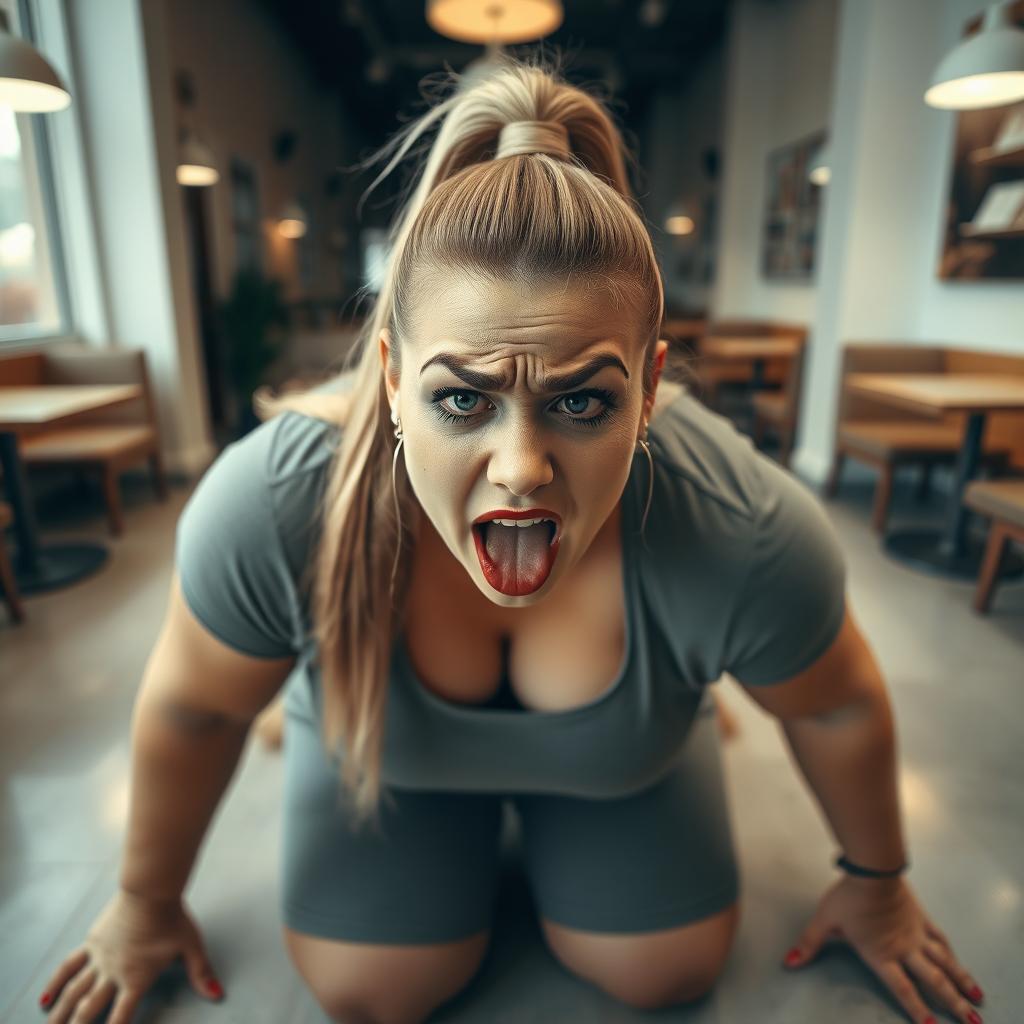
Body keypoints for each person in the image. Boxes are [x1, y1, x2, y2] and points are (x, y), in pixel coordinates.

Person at [38, 58, 984, 1024]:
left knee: (665, 970)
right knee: (373, 993)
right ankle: (317, 704)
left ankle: (679, 709)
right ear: (393, 377)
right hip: (384, 764)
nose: (522, 465)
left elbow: (836, 707)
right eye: (462, 398)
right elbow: (196, 709)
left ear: (651, 389)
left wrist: (878, 884)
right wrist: (144, 902)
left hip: (624, 763)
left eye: (581, 398)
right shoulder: (275, 501)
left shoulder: (740, 524)